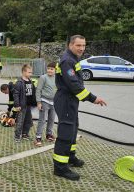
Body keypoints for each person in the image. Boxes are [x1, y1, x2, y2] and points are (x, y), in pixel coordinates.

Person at [53, 35, 106, 181]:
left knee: (73, 129)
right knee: (65, 134)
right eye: (78, 45)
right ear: (70, 45)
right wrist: (93, 98)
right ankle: (60, 167)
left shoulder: (72, 58)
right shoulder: (67, 60)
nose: (82, 48)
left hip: (70, 100)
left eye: (83, 45)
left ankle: (70, 157)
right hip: (66, 99)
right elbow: (74, 85)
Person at [34, 62, 57, 147]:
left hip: (54, 102)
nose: (50, 70)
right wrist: (38, 102)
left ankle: (49, 135)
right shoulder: (43, 77)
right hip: (44, 101)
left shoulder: (57, 78)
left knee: (51, 119)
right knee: (42, 120)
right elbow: (38, 90)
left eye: (52, 69)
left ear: (55, 70)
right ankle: (38, 137)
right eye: (48, 68)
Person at [13, 64, 37, 142]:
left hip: (29, 105)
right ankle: (17, 136)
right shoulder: (19, 82)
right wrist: (17, 105)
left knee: (28, 121)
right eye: (29, 72)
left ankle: (25, 134)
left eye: (31, 72)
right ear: (23, 72)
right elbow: (16, 94)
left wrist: (35, 102)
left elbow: (33, 92)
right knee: (20, 121)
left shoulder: (30, 81)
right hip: (22, 106)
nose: (31, 74)